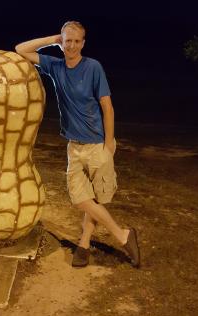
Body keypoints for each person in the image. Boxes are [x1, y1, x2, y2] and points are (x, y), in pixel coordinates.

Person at [15, 21, 140, 267]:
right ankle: (123, 235)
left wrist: (108, 145)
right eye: (67, 41)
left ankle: (83, 245)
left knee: (95, 201)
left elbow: (107, 107)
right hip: (74, 146)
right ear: (62, 43)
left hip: (97, 145)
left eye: (76, 41)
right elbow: (21, 49)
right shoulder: (55, 66)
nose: (71, 45)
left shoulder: (93, 67)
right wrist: (54, 37)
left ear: (83, 43)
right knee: (81, 199)